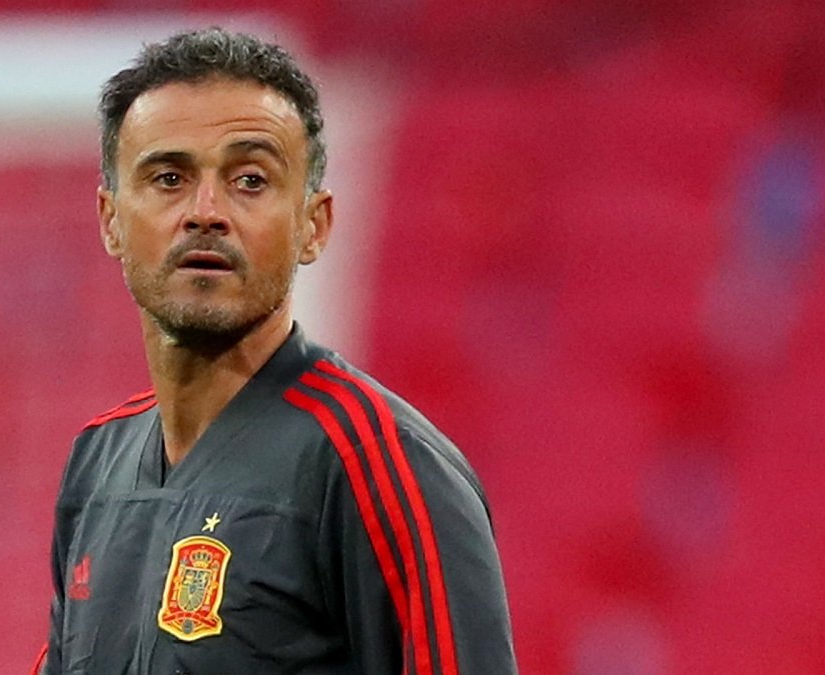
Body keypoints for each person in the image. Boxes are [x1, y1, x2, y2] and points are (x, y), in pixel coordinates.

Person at [35, 27, 517, 675]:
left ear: (313, 225)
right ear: (111, 221)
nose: (206, 211)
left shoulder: (378, 460)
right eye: (169, 178)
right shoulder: (97, 461)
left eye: (250, 179)